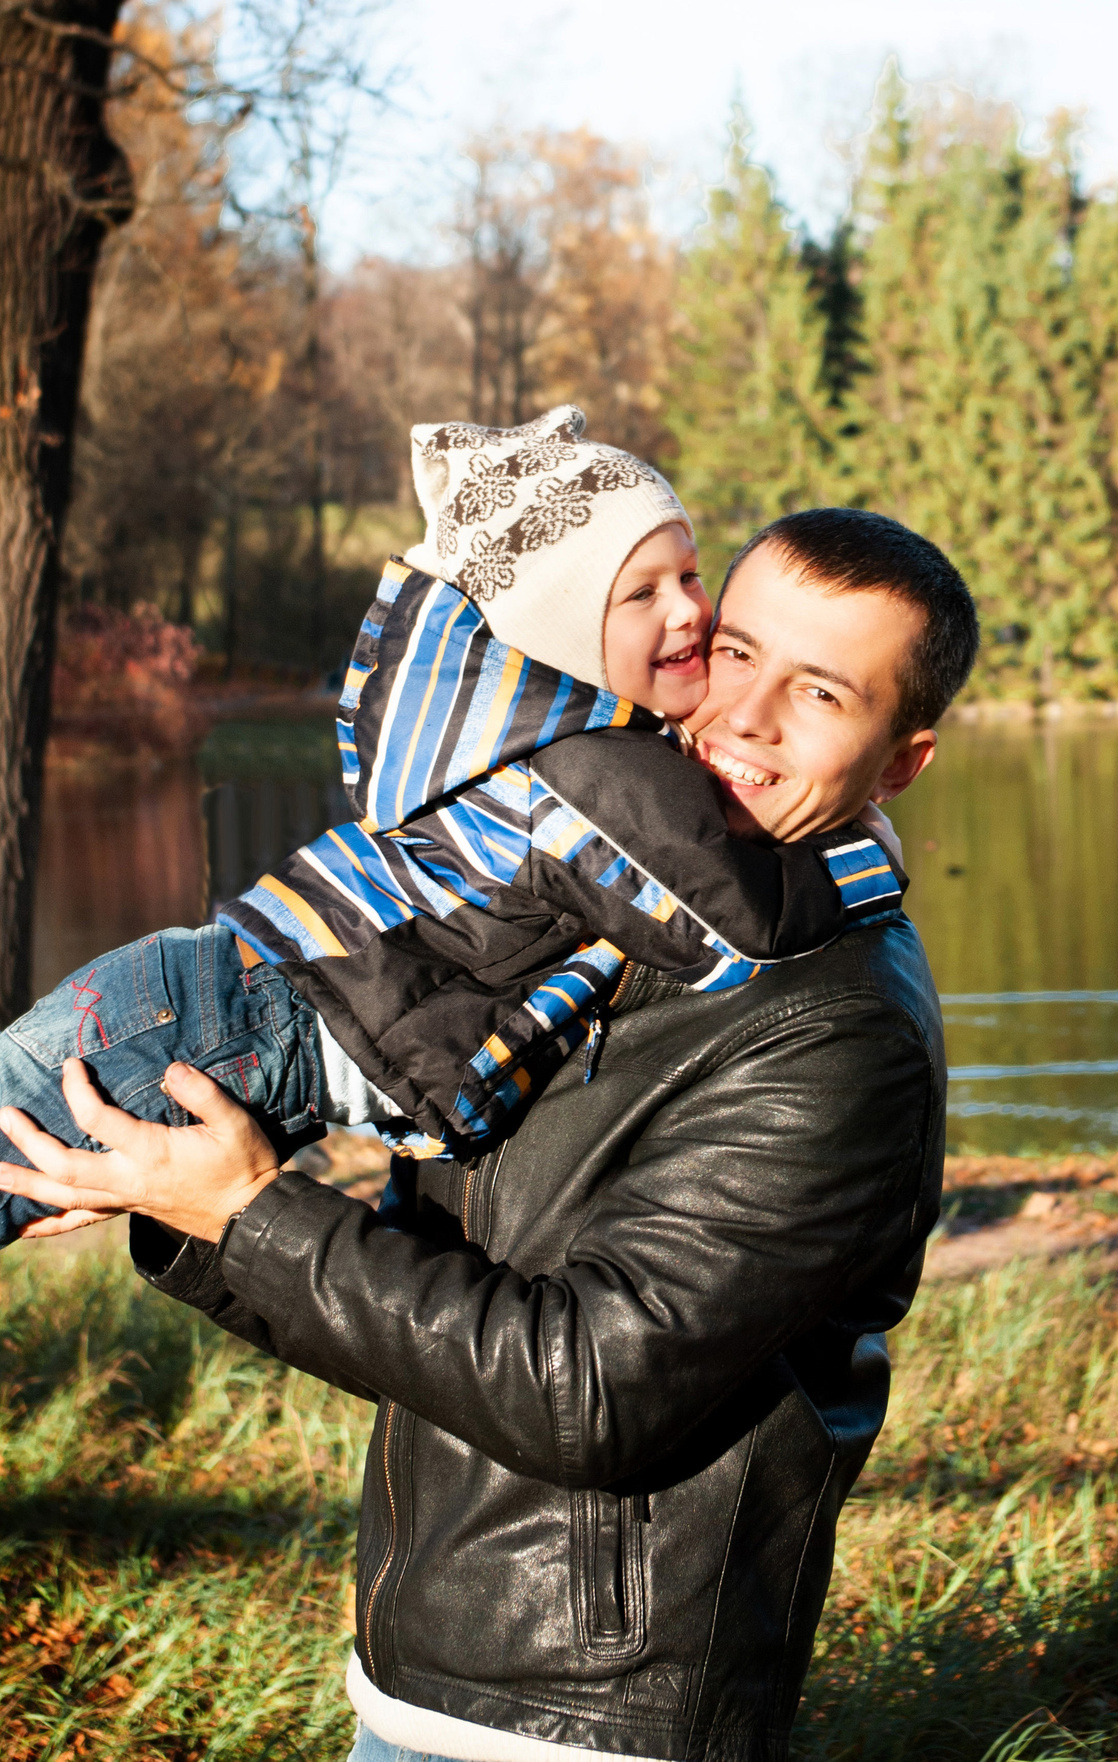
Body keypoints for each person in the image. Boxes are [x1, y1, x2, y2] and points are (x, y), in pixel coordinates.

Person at [0, 505, 977, 1760]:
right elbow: (426, 1304)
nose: (745, 715)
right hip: (440, 1676)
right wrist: (176, 1193)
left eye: (822, 692)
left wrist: (248, 1214)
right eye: (736, 653)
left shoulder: (836, 1033)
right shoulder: (614, 920)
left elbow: (589, 1390)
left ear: (900, 759)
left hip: (592, 1719)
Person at [0, 407, 905, 1246]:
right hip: (234, 1028)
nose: (690, 612)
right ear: (563, 635)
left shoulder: (533, 744)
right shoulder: (594, 774)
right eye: (642, 594)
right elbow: (732, 926)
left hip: (210, 1000)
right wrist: (860, 852)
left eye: (691, 574)